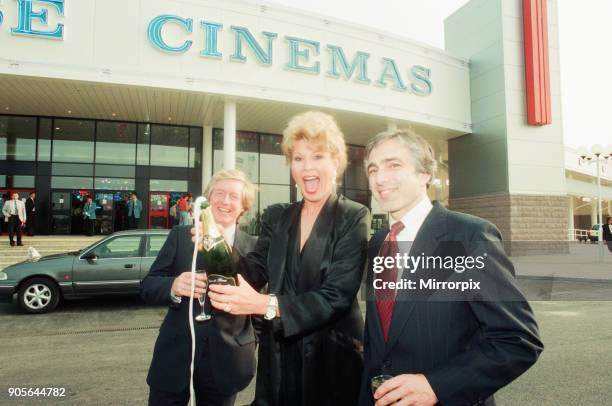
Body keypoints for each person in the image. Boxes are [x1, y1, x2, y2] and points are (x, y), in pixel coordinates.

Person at [359, 130, 543, 406]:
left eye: (393, 165)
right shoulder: (378, 242)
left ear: (424, 174)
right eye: (373, 169)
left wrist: (437, 386)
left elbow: (517, 340)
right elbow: (379, 339)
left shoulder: (468, 237)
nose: (379, 178)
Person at [203, 111, 370, 406]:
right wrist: (217, 242)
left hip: (331, 363)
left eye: (317, 157)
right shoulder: (278, 216)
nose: (307, 168)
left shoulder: (353, 216)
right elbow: (251, 272)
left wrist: (264, 304)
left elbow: (336, 297)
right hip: (280, 359)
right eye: (298, 158)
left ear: (336, 163)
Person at [141, 169, 258, 406]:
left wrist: (249, 342)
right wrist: (173, 285)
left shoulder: (256, 247)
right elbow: (148, 285)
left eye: (234, 196)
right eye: (220, 193)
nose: (225, 201)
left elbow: (260, 305)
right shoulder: (181, 236)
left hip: (225, 365)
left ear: (243, 207)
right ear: (207, 199)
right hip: (174, 360)